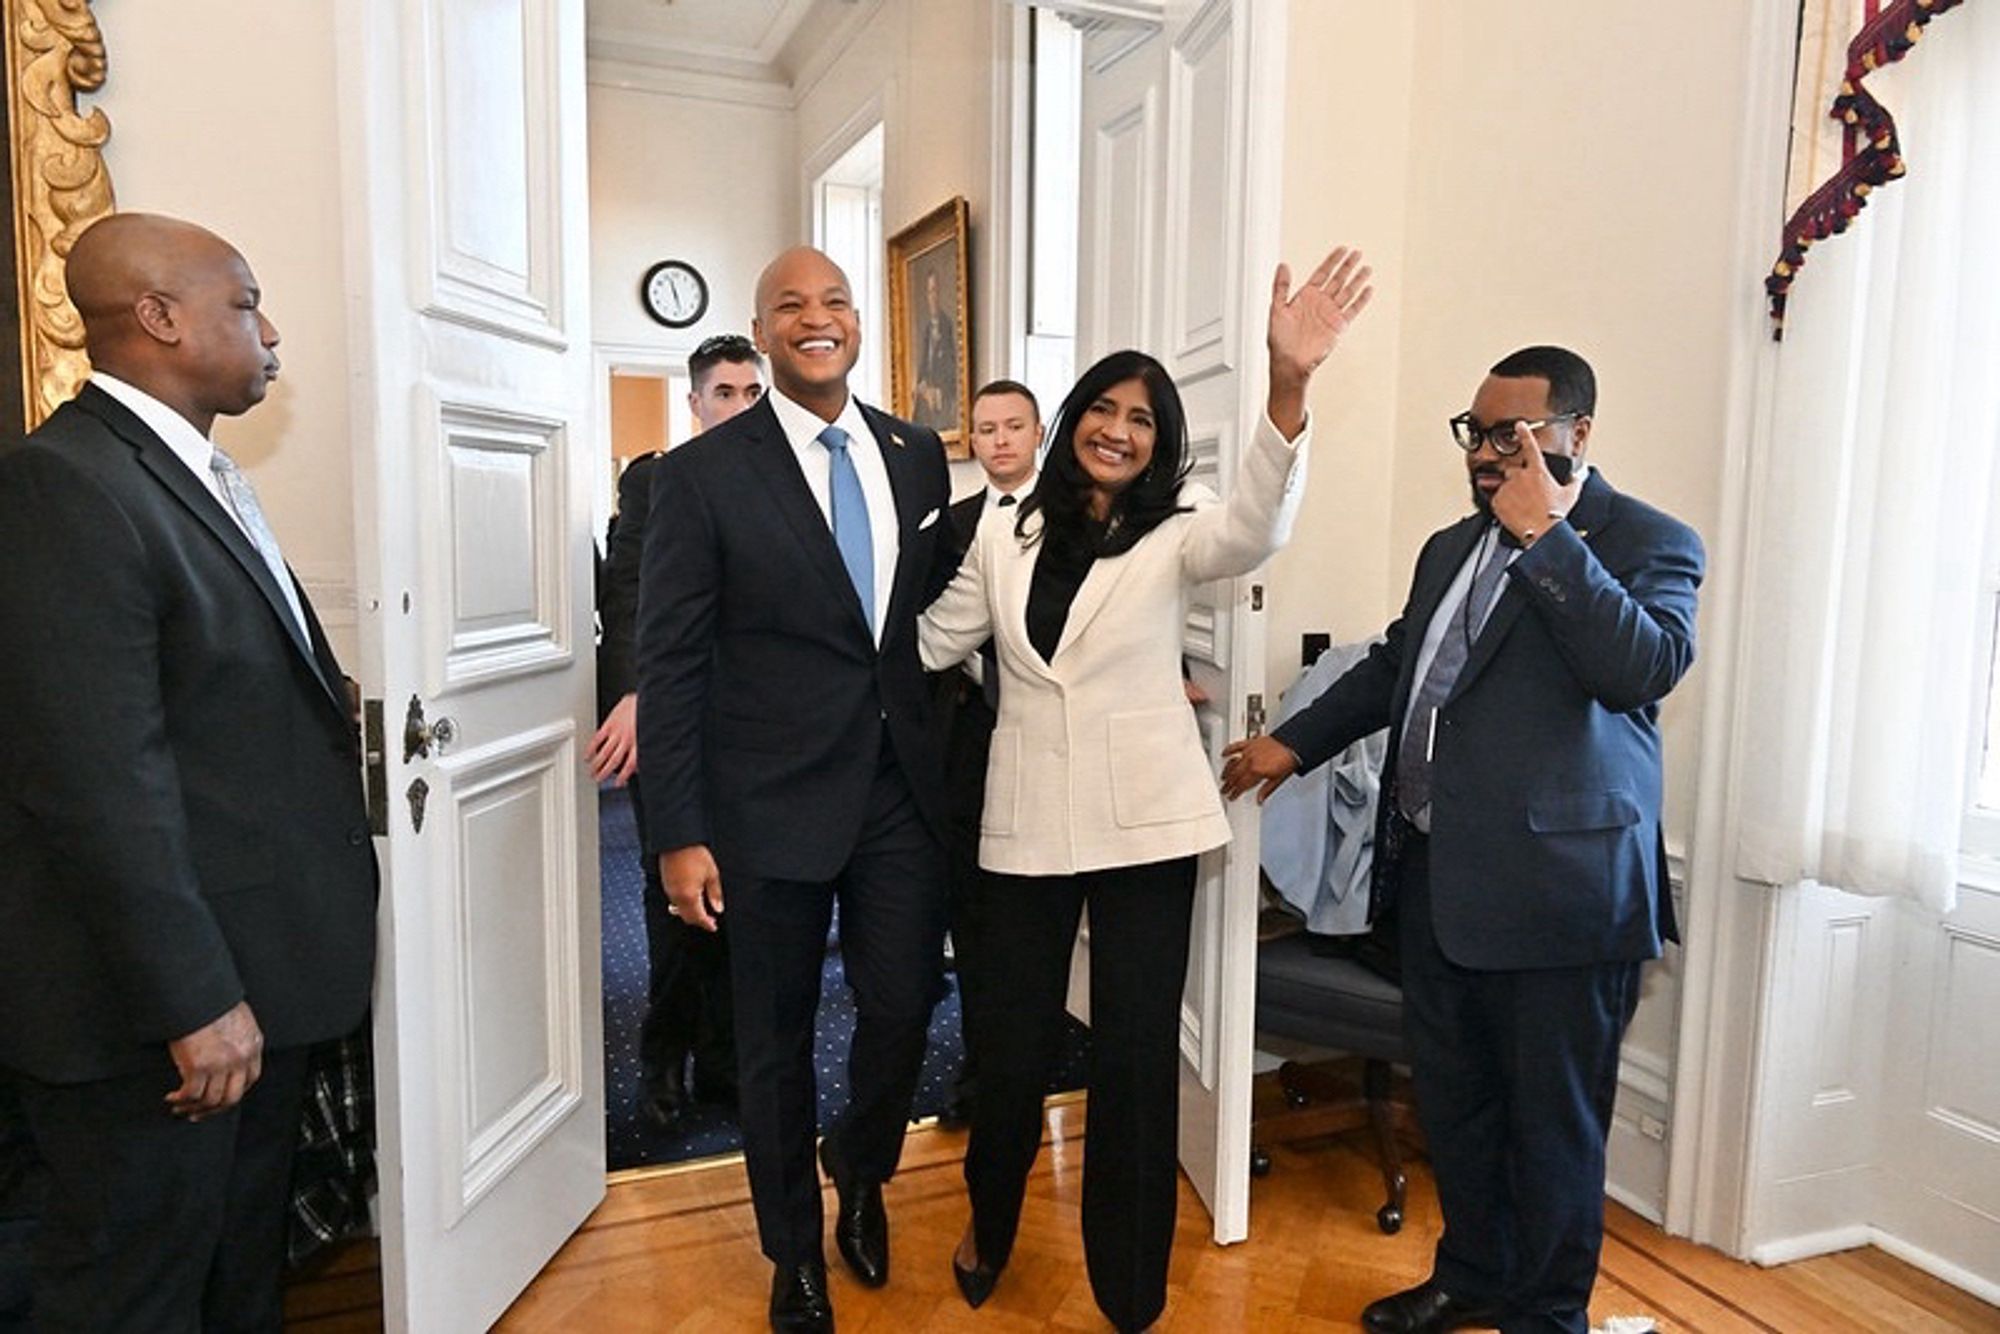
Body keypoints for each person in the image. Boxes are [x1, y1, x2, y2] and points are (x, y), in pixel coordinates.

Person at [920, 246, 1374, 1332]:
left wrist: (1288, 384)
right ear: (1074, 416)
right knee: (1012, 1046)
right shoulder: (1000, 527)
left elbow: (1257, 525)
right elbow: (939, 641)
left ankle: (1129, 1285)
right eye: (1103, 408)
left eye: (1141, 416)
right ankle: (989, 1215)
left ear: (1159, 440)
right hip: (1023, 825)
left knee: (1131, 1059)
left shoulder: (1183, 528)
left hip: (1146, 830)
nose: (1117, 427)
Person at [1220, 346, 1704, 1334]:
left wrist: (1548, 541)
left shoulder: (1647, 539)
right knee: (1458, 1110)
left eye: (1509, 433)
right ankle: (1470, 1273)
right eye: (1475, 432)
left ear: (1575, 433)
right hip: (1439, 883)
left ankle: (1545, 1315)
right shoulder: (1449, 545)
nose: (1486, 454)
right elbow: (1401, 661)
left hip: (1562, 903)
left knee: (1552, 1133)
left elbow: (1639, 669)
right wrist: (1291, 743)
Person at [0, 213, 378, 1332]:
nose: (271, 330)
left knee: (234, 1272)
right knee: (137, 1292)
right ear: (159, 315)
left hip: (250, 980)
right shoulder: (61, 486)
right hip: (158, 1021)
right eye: (245, 303)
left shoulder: (186, 471)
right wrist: (196, 999)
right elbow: (95, 775)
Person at [635, 246, 960, 1334]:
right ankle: (793, 1251)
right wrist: (676, 831)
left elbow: (934, 621)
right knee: (771, 1039)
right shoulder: (699, 475)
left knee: (904, 1004)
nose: (814, 320)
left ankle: (862, 1168)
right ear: (763, 331)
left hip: (897, 794)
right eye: (789, 306)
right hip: (761, 805)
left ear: (858, 324)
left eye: (831, 303)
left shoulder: (917, 457)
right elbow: (670, 665)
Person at [593, 333, 765, 1127]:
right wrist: (633, 693)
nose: (736, 406)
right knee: (673, 905)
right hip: (670, 722)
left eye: (750, 393)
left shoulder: (781, 480)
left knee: (738, 907)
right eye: (722, 393)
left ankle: (726, 1065)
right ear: (695, 402)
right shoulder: (657, 480)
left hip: (751, 729)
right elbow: (627, 597)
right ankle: (661, 1065)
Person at [932, 379, 1043, 1130]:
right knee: (973, 914)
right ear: (971, 441)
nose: (999, 440)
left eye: (1014, 426)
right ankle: (982, 1076)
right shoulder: (953, 525)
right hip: (972, 735)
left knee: (1036, 918)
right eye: (985, 429)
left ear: (1039, 433)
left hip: (1051, 738)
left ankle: (1042, 1059)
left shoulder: (1074, 513)